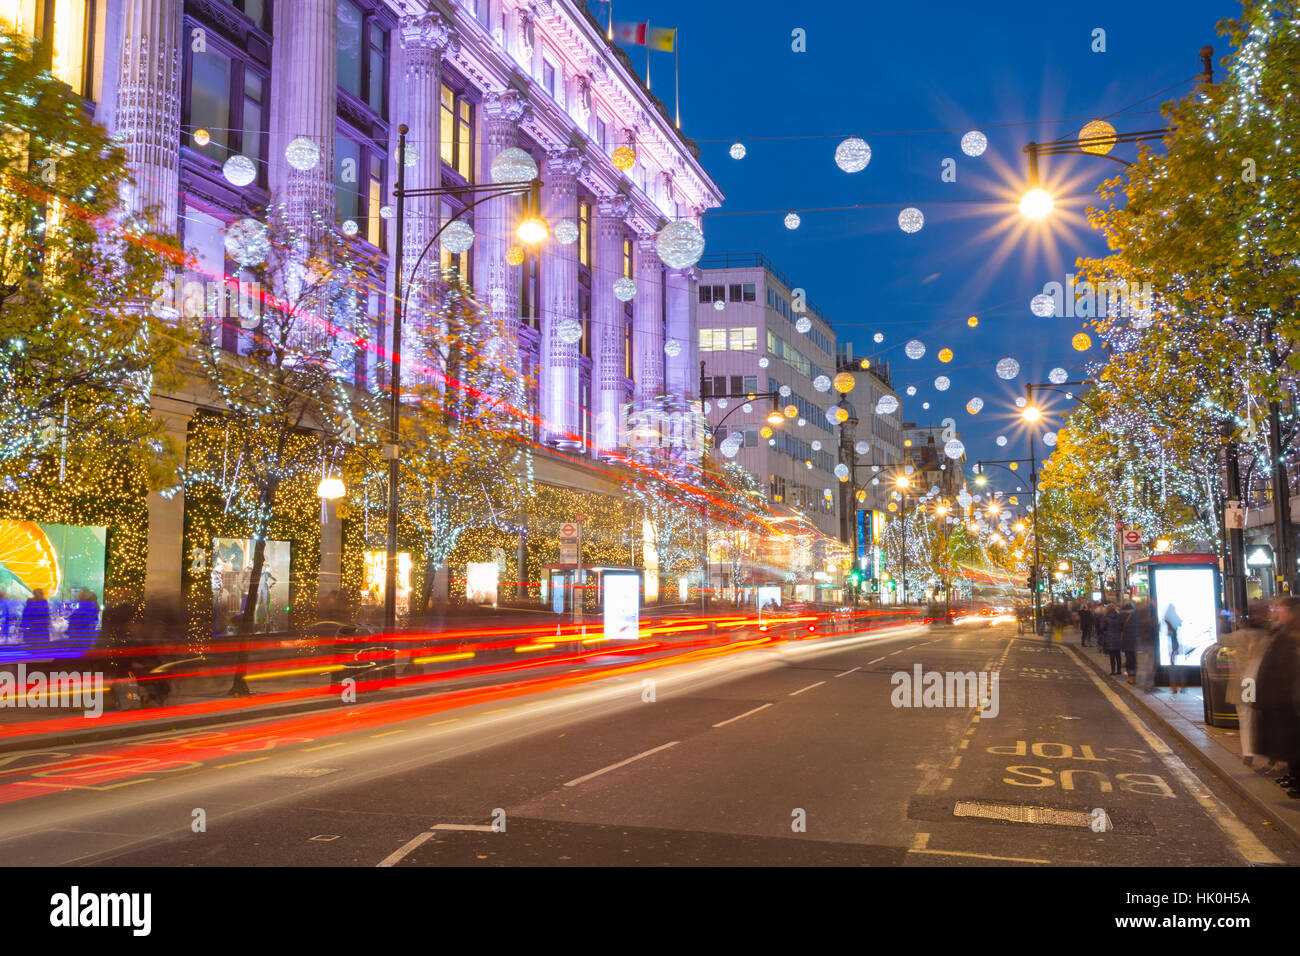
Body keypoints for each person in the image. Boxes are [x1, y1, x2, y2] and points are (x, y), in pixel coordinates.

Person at [1255, 597, 1300, 795]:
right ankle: (1294, 777)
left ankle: (1298, 781)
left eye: (1281, 608)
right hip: (1282, 698)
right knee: (1288, 742)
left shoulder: (1294, 634)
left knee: (1294, 742)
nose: (1277, 611)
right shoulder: (1285, 630)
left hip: (1290, 698)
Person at [1226, 602, 1271, 768]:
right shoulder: (1266, 634)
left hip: (1246, 681)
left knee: (1246, 716)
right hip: (1258, 681)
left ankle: (1249, 752)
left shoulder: (1242, 635)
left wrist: (1229, 618)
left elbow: (1223, 639)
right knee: (1256, 716)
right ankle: (1261, 753)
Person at [1164, 601, 1186, 692]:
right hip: (1176, 644)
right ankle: (1182, 685)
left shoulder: (1166, 619)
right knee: (1180, 666)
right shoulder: (1175, 618)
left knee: (1172, 666)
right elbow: (1180, 623)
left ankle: (1173, 686)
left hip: (1171, 645)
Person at [1101, 603, 1124, 675]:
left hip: (1109, 637)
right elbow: (1122, 626)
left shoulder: (1106, 617)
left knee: (1112, 656)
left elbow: (1102, 627)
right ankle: (1119, 670)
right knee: (1118, 655)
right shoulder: (1119, 616)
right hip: (1118, 637)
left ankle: (1113, 670)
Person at [1119, 601, 1138, 682]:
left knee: (1128, 658)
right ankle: (1133, 675)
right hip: (1135, 639)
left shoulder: (1121, 616)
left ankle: (1130, 677)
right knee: (1133, 658)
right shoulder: (1135, 615)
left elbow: (1119, 628)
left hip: (1126, 639)